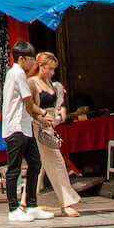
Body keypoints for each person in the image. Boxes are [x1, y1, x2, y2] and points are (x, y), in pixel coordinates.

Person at [2, 40, 52, 223]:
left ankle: (31, 205)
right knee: (13, 169)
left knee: (35, 164)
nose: (34, 63)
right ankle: (13, 208)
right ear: (22, 59)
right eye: (31, 59)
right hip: (15, 127)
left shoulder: (17, 73)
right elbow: (28, 101)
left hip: (25, 125)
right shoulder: (17, 74)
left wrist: (37, 117)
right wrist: (42, 113)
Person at [31, 53, 80, 217]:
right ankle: (66, 202)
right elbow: (28, 107)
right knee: (57, 163)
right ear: (41, 66)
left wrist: (61, 112)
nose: (52, 72)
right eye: (49, 69)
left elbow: (59, 103)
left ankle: (25, 200)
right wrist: (40, 118)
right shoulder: (32, 83)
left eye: (54, 69)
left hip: (51, 125)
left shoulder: (51, 83)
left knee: (40, 167)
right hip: (39, 125)